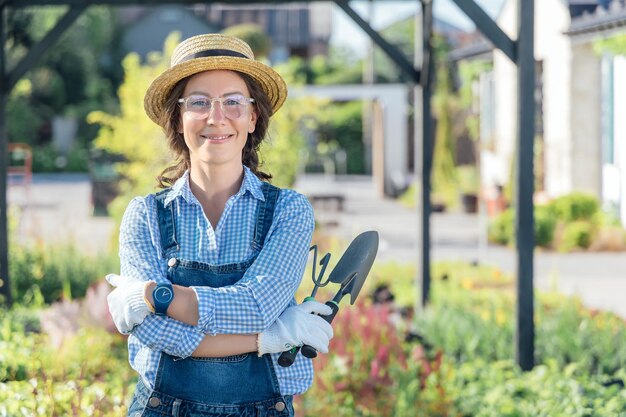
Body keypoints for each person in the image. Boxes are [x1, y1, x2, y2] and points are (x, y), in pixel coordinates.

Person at [104, 33, 334, 417]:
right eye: (198, 102)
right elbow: (153, 333)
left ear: (252, 116)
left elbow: (258, 306)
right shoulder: (144, 216)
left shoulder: (289, 210)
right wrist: (271, 337)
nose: (216, 116)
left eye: (233, 102)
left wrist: (155, 296)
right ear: (178, 119)